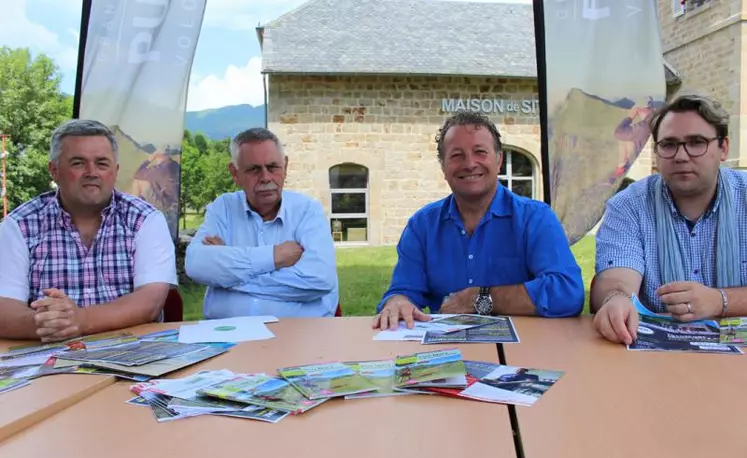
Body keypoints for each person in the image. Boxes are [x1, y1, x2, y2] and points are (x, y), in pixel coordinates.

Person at [373, 111, 584, 330]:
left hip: (524, 350)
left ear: (499, 160)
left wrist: (480, 298)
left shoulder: (536, 218)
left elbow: (568, 292)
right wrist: (398, 302)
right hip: (447, 352)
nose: (470, 163)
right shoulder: (422, 226)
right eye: (457, 155)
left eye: (480, 152)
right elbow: (404, 291)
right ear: (443, 167)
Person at [0, 119, 177, 342]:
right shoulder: (19, 225)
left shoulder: (146, 220)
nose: (92, 172)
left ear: (115, 171)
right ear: (54, 170)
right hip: (48, 360)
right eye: (78, 163)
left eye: (102, 163)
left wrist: (82, 320)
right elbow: (4, 309)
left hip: (134, 356)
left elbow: (150, 302)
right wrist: (49, 323)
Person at [592, 93, 747, 345]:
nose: (681, 156)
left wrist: (719, 301)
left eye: (696, 142)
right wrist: (616, 300)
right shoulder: (629, 205)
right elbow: (615, 278)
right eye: (669, 144)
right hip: (656, 364)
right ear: (657, 152)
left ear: (724, 148)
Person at [185, 128, 338, 319]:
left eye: (273, 167)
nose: (266, 177)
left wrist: (228, 276)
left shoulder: (307, 211)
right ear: (235, 173)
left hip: (298, 338)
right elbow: (196, 264)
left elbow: (319, 280)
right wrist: (273, 257)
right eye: (254, 169)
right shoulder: (223, 208)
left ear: (286, 167)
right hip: (226, 336)